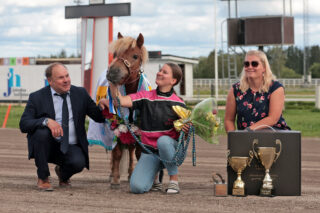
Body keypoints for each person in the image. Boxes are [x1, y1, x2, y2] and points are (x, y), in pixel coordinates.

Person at [19, 62, 108, 191]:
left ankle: (63, 174)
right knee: (41, 132)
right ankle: (43, 178)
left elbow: (99, 117)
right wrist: (46, 121)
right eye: (61, 78)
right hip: (46, 147)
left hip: (70, 147)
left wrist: (104, 104)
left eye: (67, 76)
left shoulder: (80, 93)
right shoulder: (37, 97)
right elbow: (24, 124)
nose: (66, 80)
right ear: (50, 81)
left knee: (78, 163)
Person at [109, 63, 191, 194]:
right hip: (151, 152)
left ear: (173, 81)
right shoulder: (145, 96)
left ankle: (173, 181)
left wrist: (186, 130)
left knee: (163, 141)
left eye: (165, 72)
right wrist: (112, 81)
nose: (159, 73)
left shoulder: (179, 103)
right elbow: (120, 101)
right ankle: (155, 176)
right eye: (160, 70)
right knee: (137, 188)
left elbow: (184, 137)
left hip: (173, 152)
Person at [224, 50, 290, 132]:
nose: (250, 67)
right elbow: (229, 120)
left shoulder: (275, 88)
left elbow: (273, 119)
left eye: (254, 64)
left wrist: (249, 130)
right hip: (245, 138)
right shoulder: (235, 90)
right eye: (246, 64)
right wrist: (234, 139)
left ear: (264, 68)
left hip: (274, 136)